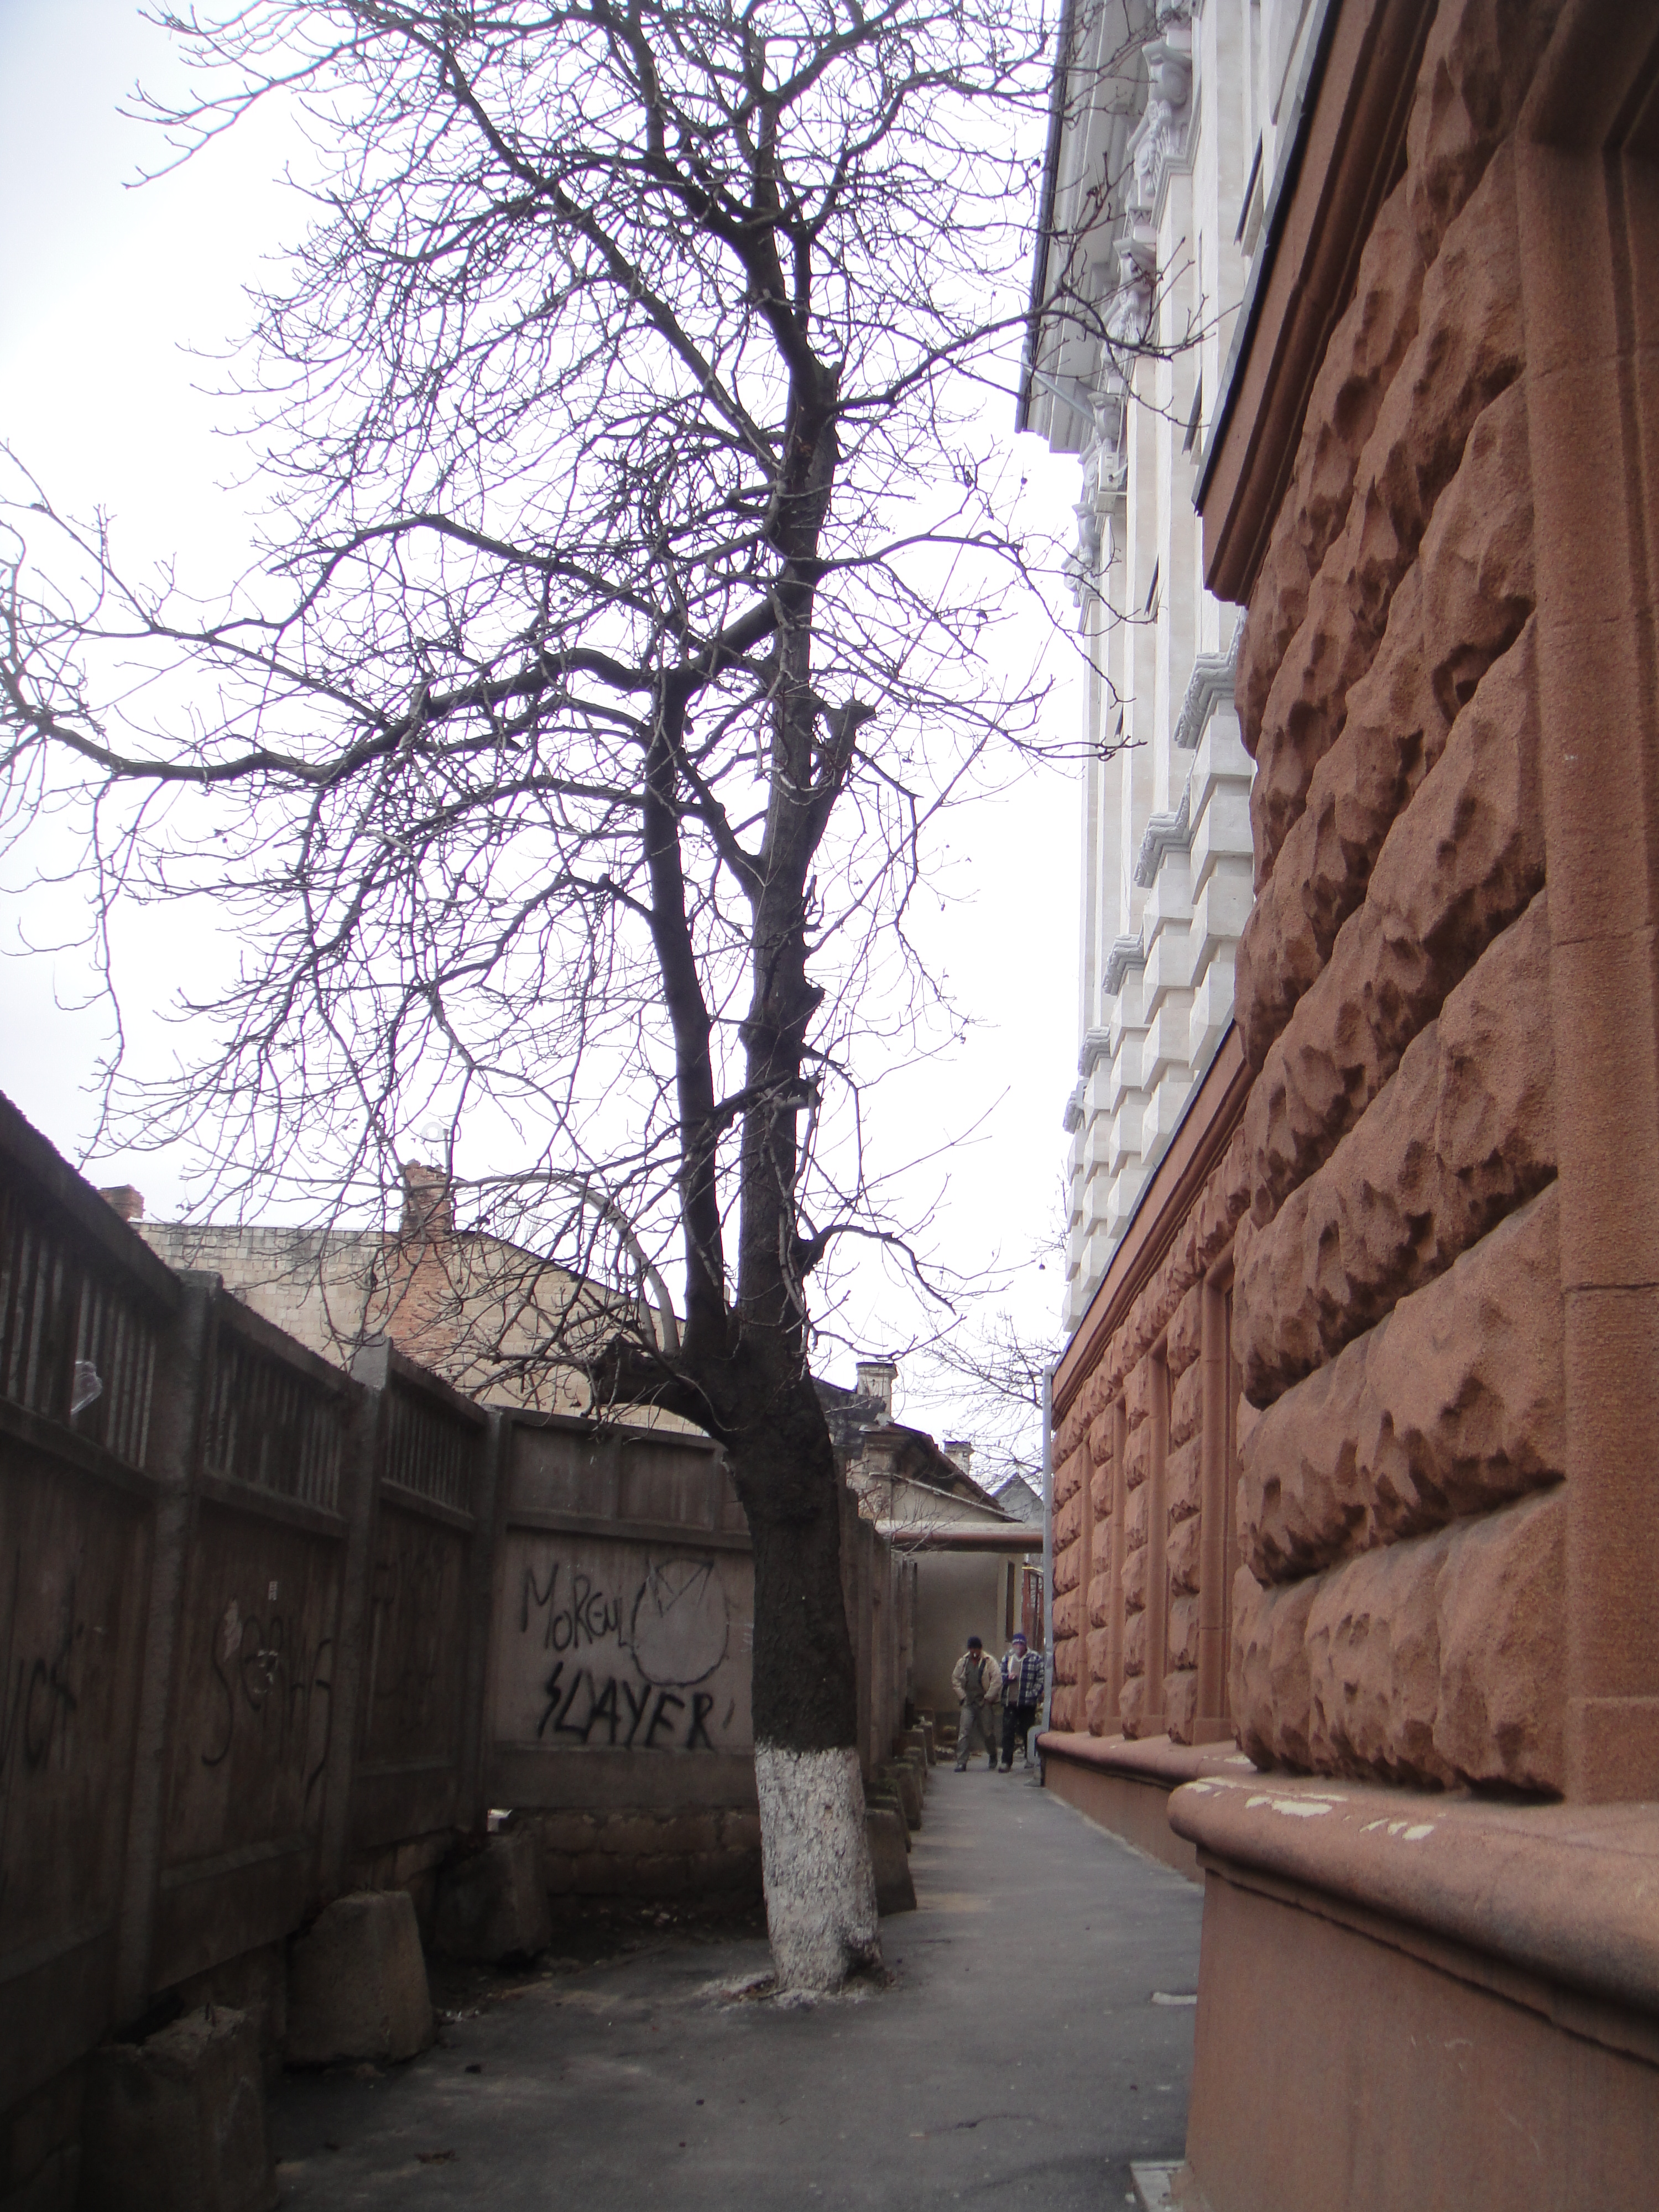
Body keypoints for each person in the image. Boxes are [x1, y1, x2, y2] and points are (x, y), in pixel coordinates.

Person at [951, 1635, 1000, 1771]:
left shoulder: (989, 1661)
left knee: (988, 1732)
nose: (973, 1652)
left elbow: (997, 1680)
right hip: (968, 1702)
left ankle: (993, 1755)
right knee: (964, 1732)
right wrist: (962, 1696)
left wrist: (989, 1697)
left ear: (980, 1649)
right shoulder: (963, 1662)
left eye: (976, 1649)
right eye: (971, 1649)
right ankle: (961, 1762)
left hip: (984, 1702)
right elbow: (955, 1679)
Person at [998, 1630, 1044, 1771]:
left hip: (1027, 1703)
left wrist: (1033, 1694)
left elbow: (1041, 1679)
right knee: (1008, 1732)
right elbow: (999, 1675)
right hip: (1010, 1702)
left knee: (1027, 1731)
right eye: (1015, 1644)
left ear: (1025, 1646)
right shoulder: (1008, 1657)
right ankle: (1006, 1762)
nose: (1018, 1647)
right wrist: (1007, 1677)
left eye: (1020, 1644)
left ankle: (1030, 1758)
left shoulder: (1035, 1658)